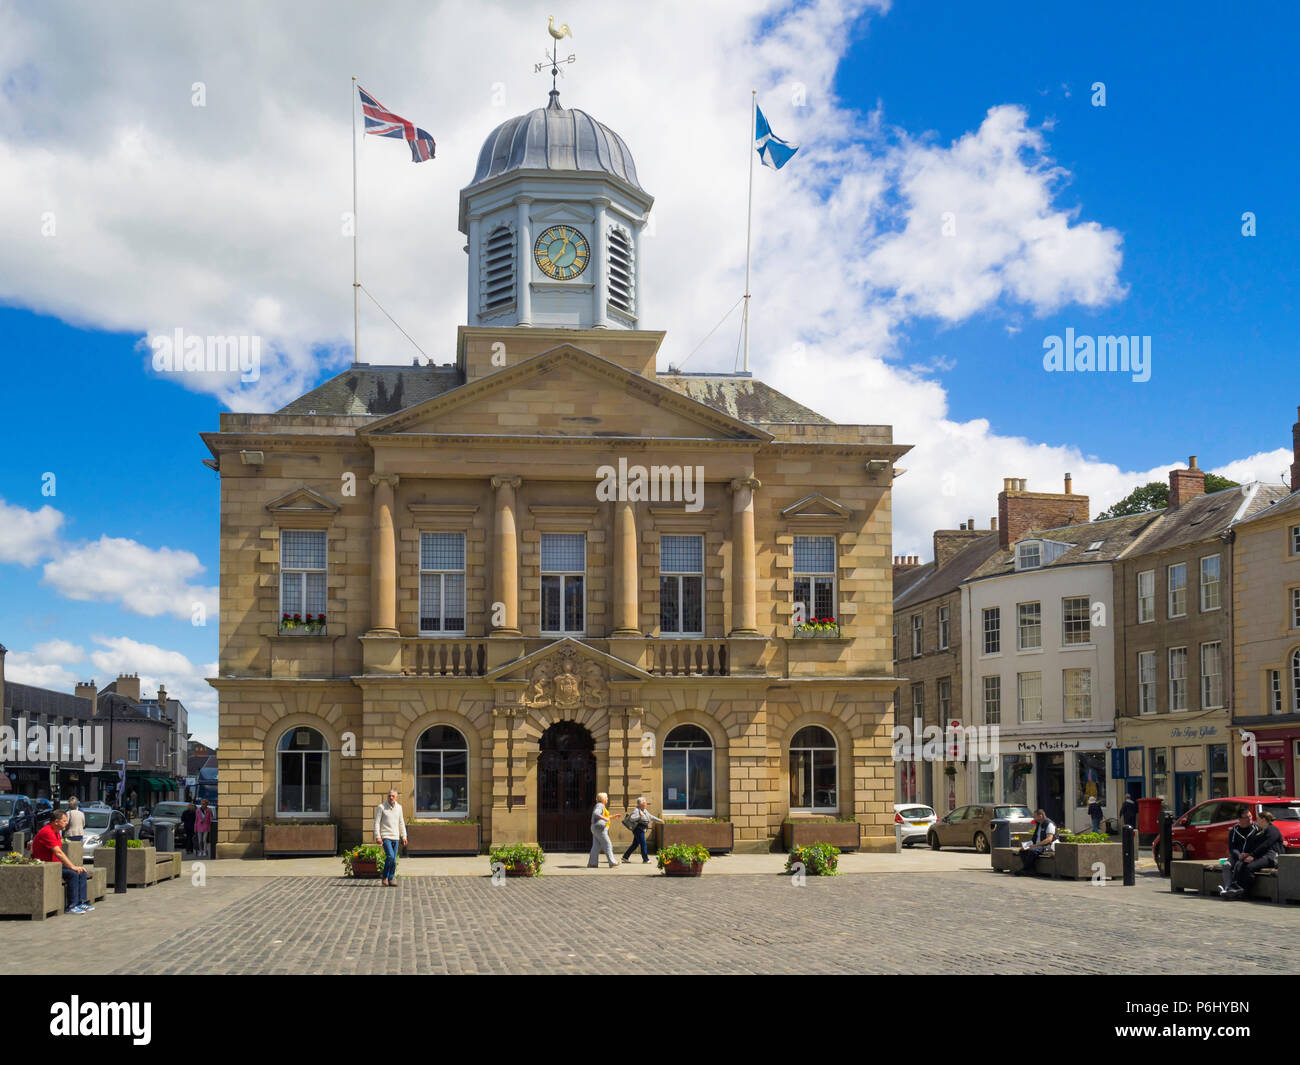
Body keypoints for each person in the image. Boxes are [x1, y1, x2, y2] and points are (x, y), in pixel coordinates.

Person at [32, 811, 93, 914]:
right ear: (56, 822)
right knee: (73, 874)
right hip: (47, 867)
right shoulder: (47, 832)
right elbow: (58, 853)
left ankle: (81, 902)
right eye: (64, 821)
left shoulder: (56, 832)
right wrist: (72, 867)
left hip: (56, 865)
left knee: (82, 871)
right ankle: (71, 906)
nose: (66, 823)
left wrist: (74, 867)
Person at [1227, 810, 1283, 898]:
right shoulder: (1261, 831)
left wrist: (1252, 855)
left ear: (1263, 819)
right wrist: (1247, 854)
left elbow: (1266, 845)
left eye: (1257, 819)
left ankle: (1245, 891)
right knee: (1241, 864)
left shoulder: (1272, 830)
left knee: (1249, 867)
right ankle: (1235, 887)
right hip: (1263, 855)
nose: (1255, 821)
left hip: (1273, 856)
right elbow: (1254, 845)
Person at [1219, 806, 1260, 897]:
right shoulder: (1234, 830)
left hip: (1251, 856)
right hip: (1237, 856)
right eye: (1246, 817)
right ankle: (1227, 888)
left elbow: (1259, 845)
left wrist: (1249, 854)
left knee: (1239, 865)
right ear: (1240, 819)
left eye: (1250, 816)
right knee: (1226, 865)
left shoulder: (1257, 828)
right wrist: (1238, 855)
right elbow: (1232, 847)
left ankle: (1235, 888)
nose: (1250, 819)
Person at [373, 789, 407, 886]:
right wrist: (378, 836)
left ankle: (391, 879)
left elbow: (401, 822)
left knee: (393, 860)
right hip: (386, 836)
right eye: (389, 796)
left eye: (393, 796)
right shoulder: (381, 807)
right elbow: (376, 823)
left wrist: (404, 836)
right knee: (390, 857)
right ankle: (385, 877)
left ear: (396, 797)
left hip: (396, 837)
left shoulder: (399, 808)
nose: (391, 797)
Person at [1014, 809, 1057, 876]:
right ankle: (1030, 870)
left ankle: (1025, 869)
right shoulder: (1039, 824)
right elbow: (1034, 839)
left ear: (1040, 816)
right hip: (1038, 846)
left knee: (1032, 852)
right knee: (1022, 851)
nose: (1034, 818)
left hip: (1047, 847)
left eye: (1035, 816)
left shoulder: (1049, 824)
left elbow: (1049, 839)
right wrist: (1026, 846)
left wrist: (1035, 845)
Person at [622, 796, 663, 864]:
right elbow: (632, 818)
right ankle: (645, 859)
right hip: (638, 830)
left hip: (641, 829)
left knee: (635, 844)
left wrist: (659, 820)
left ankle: (625, 857)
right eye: (645, 803)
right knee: (643, 844)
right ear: (641, 804)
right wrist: (639, 816)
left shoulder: (644, 810)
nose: (646, 804)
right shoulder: (636, 810)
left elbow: (650, 817)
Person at [588, 792, 619, 868]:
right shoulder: (600, 805)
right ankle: (612, 862)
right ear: (603, 799)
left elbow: (602, 816)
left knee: (596, 846)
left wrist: (612, 817)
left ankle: (592, 863)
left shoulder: (600, 805)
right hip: (600, 829)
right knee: (608, 844)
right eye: (606, 797)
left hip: (596, 828)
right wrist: (605, 818)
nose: (607, 798)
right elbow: (596, 813)